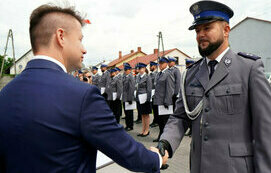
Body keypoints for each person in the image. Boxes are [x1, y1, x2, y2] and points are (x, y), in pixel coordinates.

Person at [0, 4, 168, 173]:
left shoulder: (5, 94)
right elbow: (128, 152)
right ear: (61, 36)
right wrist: (157, 158)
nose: (84, 49)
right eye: (80, 39)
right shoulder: (82, 95)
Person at [156, 1, 271, 173]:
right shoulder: (191, 74)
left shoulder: (249, 69)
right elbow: (180, 117)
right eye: (197, 30)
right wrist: (166, 142)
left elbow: (267, 131)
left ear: (226, 30)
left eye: (207, 28)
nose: (200, 35)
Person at [153, 57, 174, 142]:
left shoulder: (168, 74)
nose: (160, 65)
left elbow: (170, 89)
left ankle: (165, 138)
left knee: (165, 121)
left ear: (166, 64)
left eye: (162, 63)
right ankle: (161, 136)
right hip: (158, 101)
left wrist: (167, 101)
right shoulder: (159, 74)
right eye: (159, 63)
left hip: (164, 102)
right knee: (160, 121)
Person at [136, 63, 152, 137]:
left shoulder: (147, 77)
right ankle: (143, 130)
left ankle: (147, 130)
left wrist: (148, 99)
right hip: (139, 98)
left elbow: (149, 89)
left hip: (145, 98)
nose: (140, 70)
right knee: (142, 115)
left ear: (144, 69)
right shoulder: (138, 77)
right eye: (139, 69)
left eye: (141, 69)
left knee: (146, 115)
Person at [122, 63, 135, 131]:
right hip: (124, 97)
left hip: (128, 97)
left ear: (130, 70)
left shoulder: (131, 77)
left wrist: (130, 98)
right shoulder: (125, 76)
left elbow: (132, 88)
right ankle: (127, 125)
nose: (125, 71)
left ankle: (130, 126)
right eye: (125, 69)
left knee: (129, 113)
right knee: (126, 112)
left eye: (127, 70)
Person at [149, 61, 159, 128]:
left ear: (155, 66)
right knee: (153, 108)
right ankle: (155, 120)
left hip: (155, 93)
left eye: (151, 66)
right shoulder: (151, 74)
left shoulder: (156, 74)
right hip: (151, 93)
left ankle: (156, 121)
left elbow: (156, 84)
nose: (150, 67)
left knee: (156, 109)